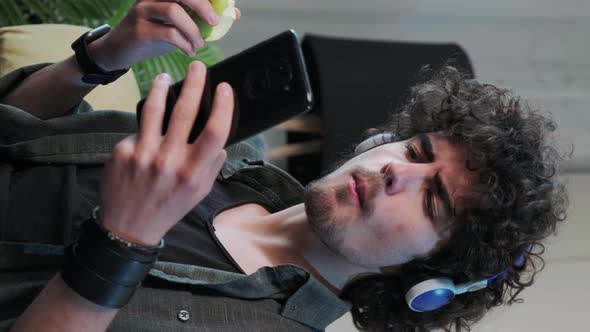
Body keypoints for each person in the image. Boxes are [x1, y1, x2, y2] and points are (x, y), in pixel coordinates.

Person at [0, 0, 569, 331]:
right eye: (416, 152)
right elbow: (15, 132)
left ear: (424, 279)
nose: (399, 170)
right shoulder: (226, 155)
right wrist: (100, 59)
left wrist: (123, 240)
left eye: (433, 200)